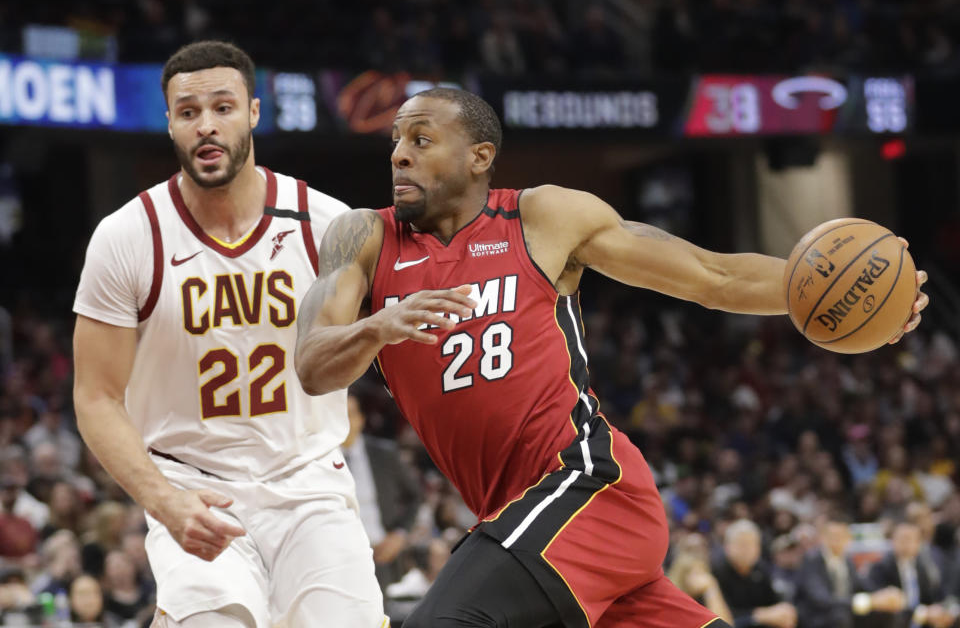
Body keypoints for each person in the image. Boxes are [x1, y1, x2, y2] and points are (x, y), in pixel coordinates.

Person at [293, 87, 928, 628]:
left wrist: (834, 294)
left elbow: (712, 276)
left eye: (422, 139)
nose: (400, 152)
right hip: (528, 520)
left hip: (586, 482)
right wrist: (376, 327)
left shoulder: (541, 218)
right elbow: (314, 365)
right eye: (397, 140)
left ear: (479, 156)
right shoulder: (365, 237)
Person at [72, 40, 384, 628]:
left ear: (254, 113)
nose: (207, 126)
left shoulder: (327, 223)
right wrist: (163, 502)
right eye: (189, 113)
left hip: (308, 477)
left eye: (223, 107)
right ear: (169, 124)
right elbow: (95, 398)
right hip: (192, 483)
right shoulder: (127, 237)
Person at [342, 392, 423, 588]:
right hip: (337, 557)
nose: (344, 421)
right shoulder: (318, 459)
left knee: (381, 616)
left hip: (379, 554)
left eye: (350, 414)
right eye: (338, 415)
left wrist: (400, 533)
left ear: (361, 419)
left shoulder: (384, 455)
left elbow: (416, 496)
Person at [793, 514, 905, 628]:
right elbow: (821, 600)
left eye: (841, 536)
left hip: (845, 611)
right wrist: (867, 601)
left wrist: (883, 595)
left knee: (886, 612)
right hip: (817, 616)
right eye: (833, 536)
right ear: (823, 538)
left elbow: (862, 586)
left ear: (848, 539)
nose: (837, 540)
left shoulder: (847, 560)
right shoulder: (811, 560)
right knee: (840, 615)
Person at [712, 520, 798, 628]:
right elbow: (723, 618)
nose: (748, 550)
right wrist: (758, 615)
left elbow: (774, 602)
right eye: (742, 544)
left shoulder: (760, 569)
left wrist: (784, 610)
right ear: (727, 546)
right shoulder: (717, 572)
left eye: (753, 544)